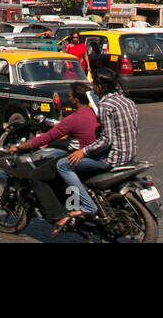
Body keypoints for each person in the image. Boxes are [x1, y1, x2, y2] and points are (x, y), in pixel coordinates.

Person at [9, 82, 100, 231]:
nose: (69, 97)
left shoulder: (74, 118)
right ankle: (68, 203)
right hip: (91, 155)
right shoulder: (93, 113)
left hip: (79, 157)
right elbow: (81, 132)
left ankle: (57, 216)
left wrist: (19, 147)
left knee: (37, 176)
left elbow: (46, 138)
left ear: (76, 99)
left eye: (70, 95)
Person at [55, 68, 138, 219]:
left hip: (113, 158)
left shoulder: (105, 105)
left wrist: (83, 152)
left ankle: (88, 205)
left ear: (100, 87)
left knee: (63, 165)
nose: (93, 87)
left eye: (94, 84)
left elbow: (107, 139)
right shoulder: (128, 102)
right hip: (130, 154)